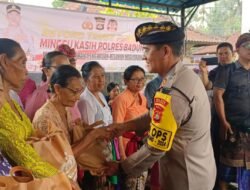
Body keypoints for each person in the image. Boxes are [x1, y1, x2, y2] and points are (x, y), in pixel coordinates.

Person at [105, 21, 216, 190]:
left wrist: (122, 167)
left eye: (147, 50)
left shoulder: (175, 91)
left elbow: (156, 145)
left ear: (165, 51)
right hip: (191, 169)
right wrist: (125, 126)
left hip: (187, 178)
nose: (144, 56)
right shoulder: (177, 77)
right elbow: (155, 115)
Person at [32, 65, 111, 182]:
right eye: (74, 92)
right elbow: (61, 158)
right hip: (54, 181)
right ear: (58, 89)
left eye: (80, 91)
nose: (78, 97)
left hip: (69, 177)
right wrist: (92, 135)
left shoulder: (66, 109)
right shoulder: (44, 118)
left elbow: (67, 146)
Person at [0, 38, 58, 178]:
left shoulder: (12, 97)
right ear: (4, 61)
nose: (26, 71)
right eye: (22, 62)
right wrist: (62, 179)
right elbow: (28, 161)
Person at [213, 33, 250, 190]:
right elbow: (217, 95)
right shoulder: (228, 70)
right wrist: (223, 122)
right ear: (237, 49)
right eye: (247, 46)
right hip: (233, 128)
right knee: (226, 169)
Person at [78, 61, 116, 189]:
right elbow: (90, 131)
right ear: (85, 79)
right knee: (95, 183)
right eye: (96, 77)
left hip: (106, 147)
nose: (101, 80)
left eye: (103, 76)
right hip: (94, 151)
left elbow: (109, 120)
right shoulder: (85, 100)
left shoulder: (100, 95)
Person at [111, 65, 148, 189]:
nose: (139, 82)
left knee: (141, 181)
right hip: (126, 146)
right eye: (135, 79)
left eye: (142, 79)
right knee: (129, 183)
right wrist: (122, 157)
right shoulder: (120, 99)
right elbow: (118, 129)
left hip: (141, 145)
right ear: (126, 81)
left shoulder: (143, 98)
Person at [24, 51, 70, 120]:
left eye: (69, 68)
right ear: (46, 71)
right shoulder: (40, 94)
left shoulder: (69, 91)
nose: (67, 72)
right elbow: (31, 123)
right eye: (61, 68)